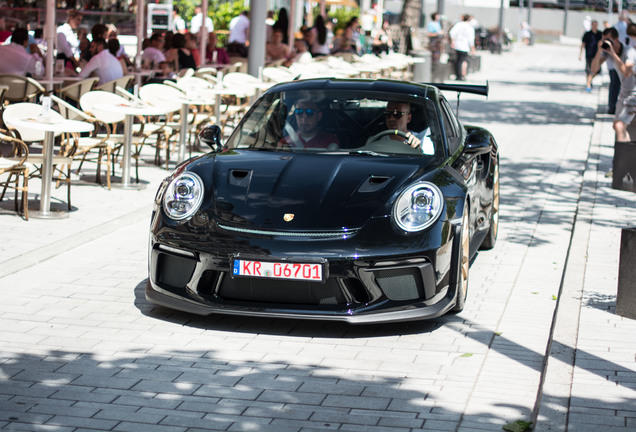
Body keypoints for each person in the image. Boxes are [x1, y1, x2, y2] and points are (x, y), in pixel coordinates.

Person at [591, 27, 636, 141]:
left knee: (620, 126)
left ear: (616, 39)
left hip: (634, 94)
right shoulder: (607, 53)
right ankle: (628, 153)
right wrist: (599, 51)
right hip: (624, 93)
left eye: (609, 40)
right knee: (616, 125)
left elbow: (626, 72)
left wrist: (612, 53)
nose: (607, 43)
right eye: (604, 40)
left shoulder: (629, 51)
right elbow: (594, 69)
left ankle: (624, 156)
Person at [449, 14, 476, 81]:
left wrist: (453, 41)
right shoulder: (470, 27)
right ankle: (463, 74)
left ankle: (458, 75)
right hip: (465, 46)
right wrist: (473, 48)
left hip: (457, 44)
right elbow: (471, 39)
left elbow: (452, 32)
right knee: (464, 60)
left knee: (458, 60)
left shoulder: (458, 24)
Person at [580, 20, 602, 92]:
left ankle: (589, 81)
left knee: (597, 70)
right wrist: (580, 54)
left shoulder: (600, 34)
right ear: (591, 25)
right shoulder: (587, 34)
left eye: (596, 25)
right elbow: (583, 44)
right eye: (593, 25)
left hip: (597, 55)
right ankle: (588, 84)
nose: (594, 26)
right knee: (588, 70)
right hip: (589, 54)